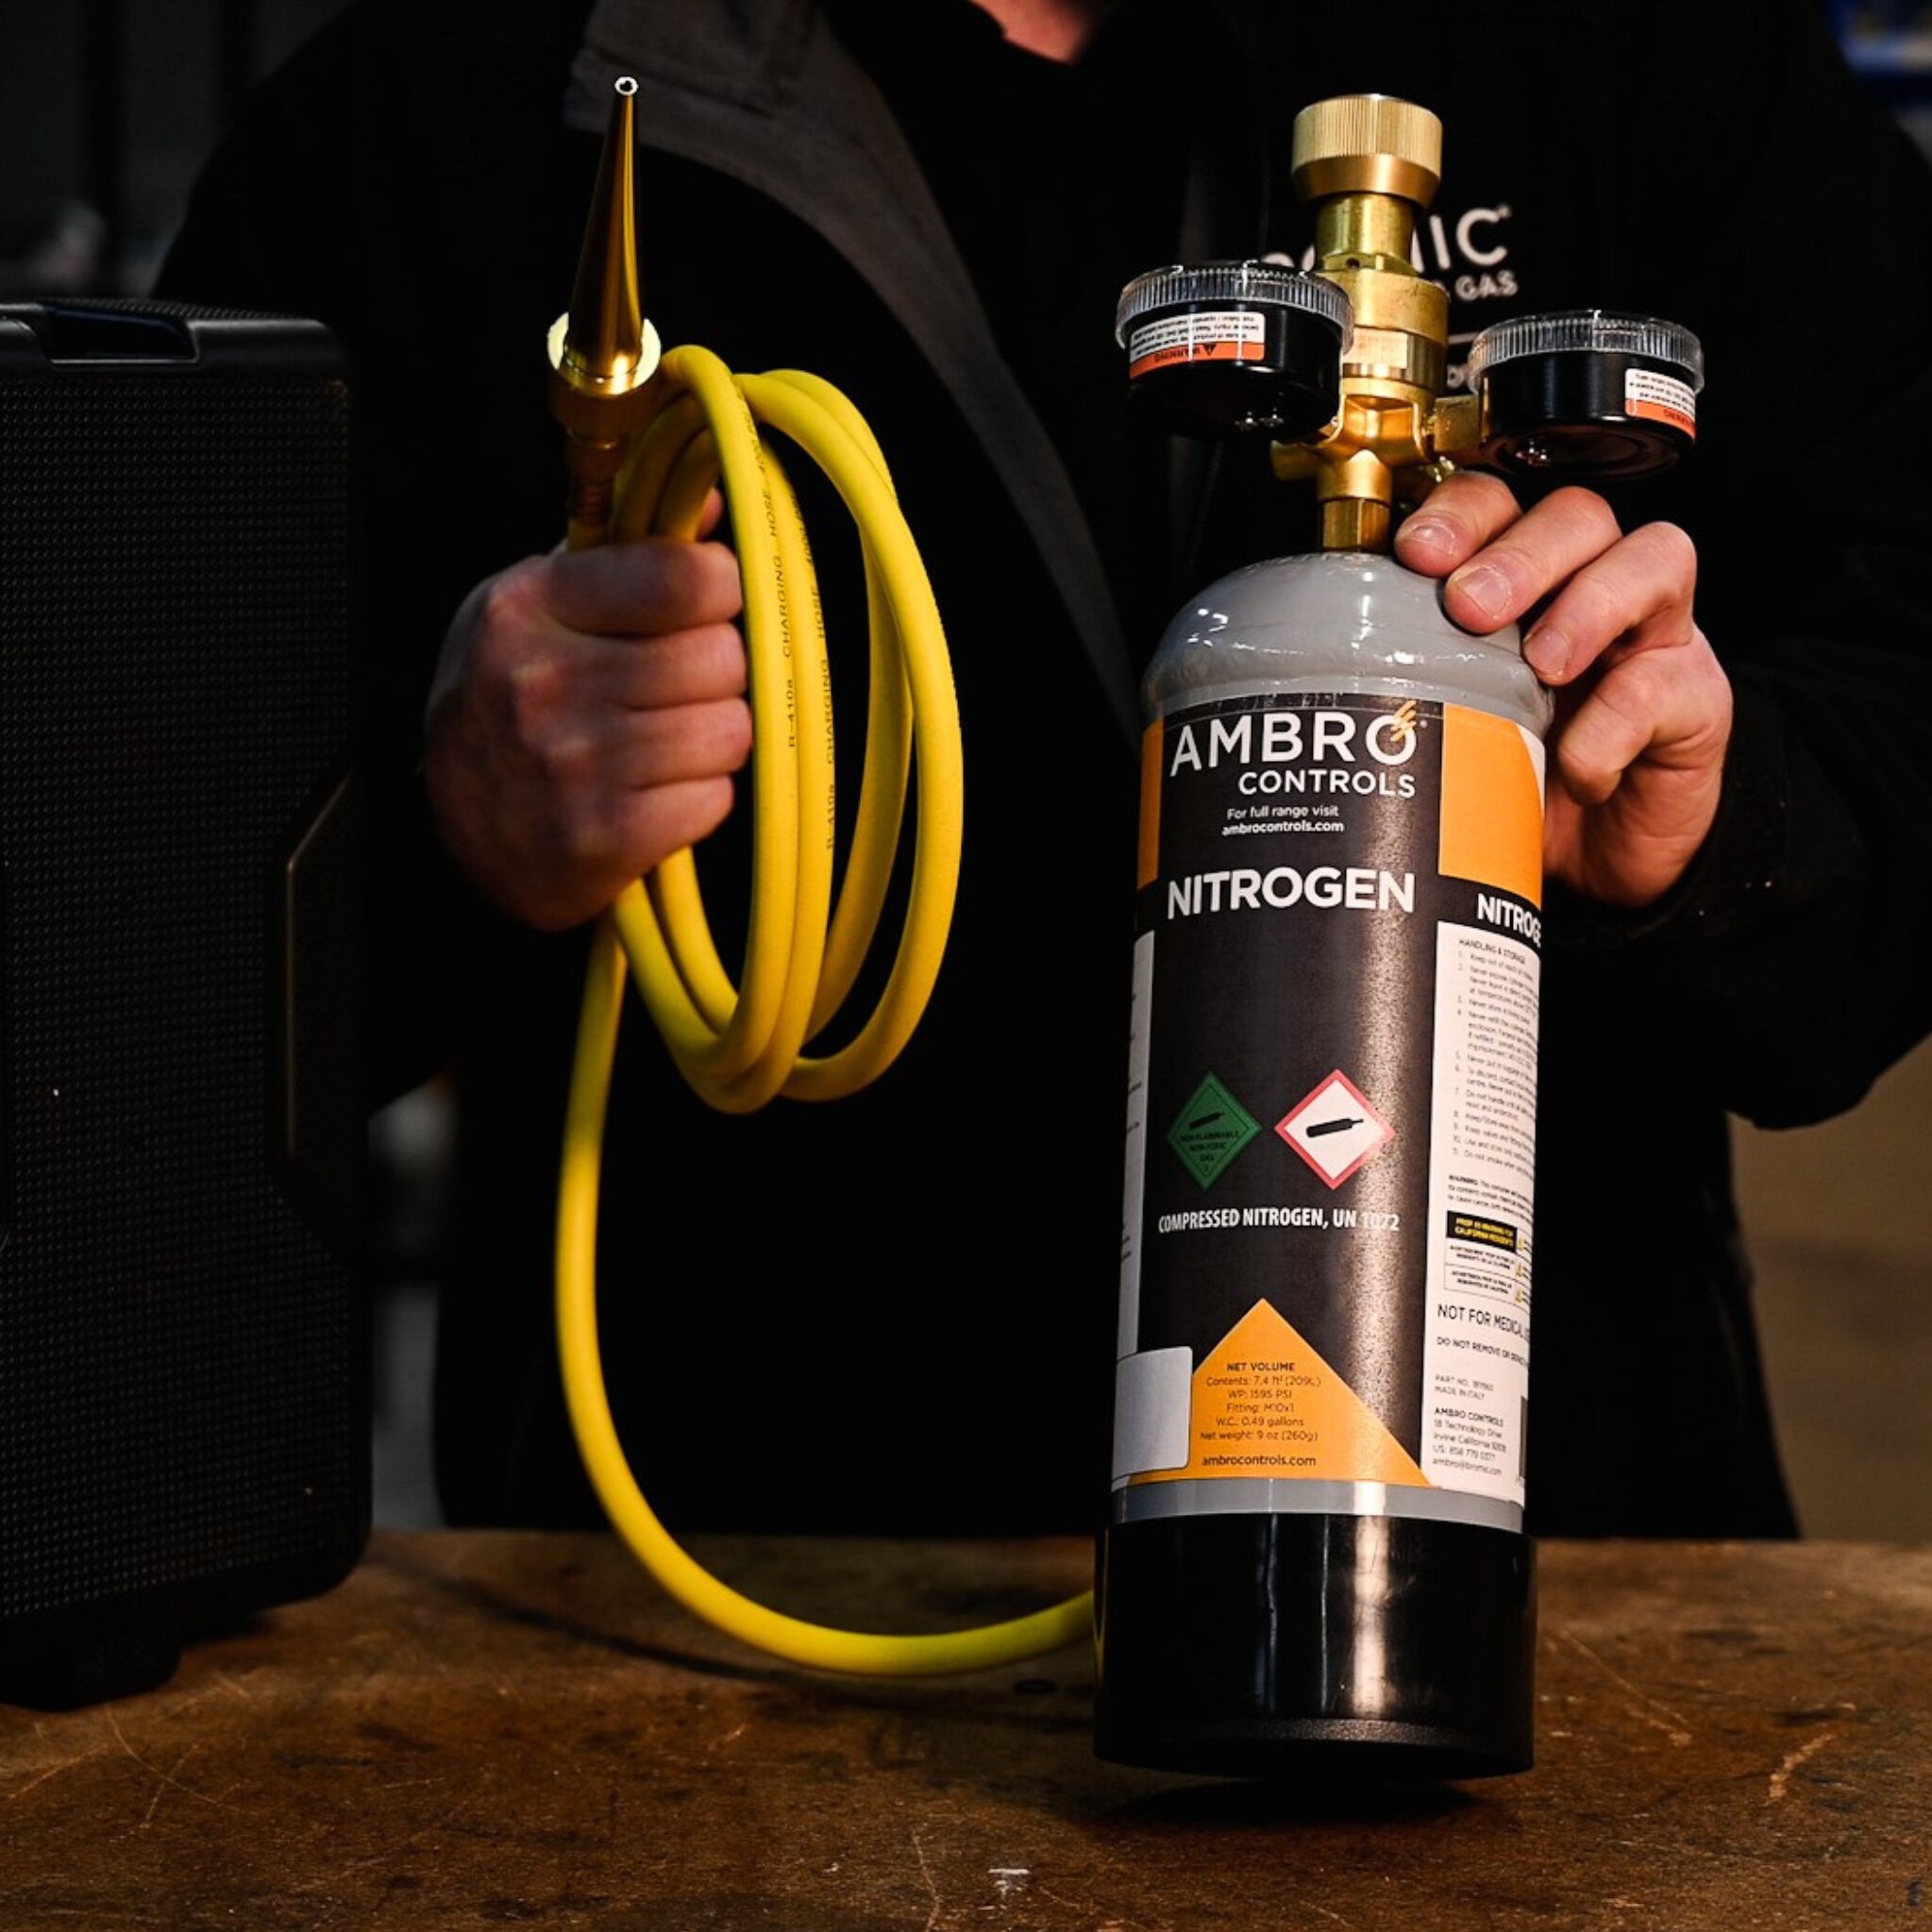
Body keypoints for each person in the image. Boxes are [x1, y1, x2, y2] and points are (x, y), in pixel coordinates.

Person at [158, 0, 1932, 1537]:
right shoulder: (427, 125)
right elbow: (117, 977)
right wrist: (435, 825)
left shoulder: (1634, 50)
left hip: (1546, 1580)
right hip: (738, 1634)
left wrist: (1728, 813)